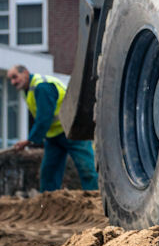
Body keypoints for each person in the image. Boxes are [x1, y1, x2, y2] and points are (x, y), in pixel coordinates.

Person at [6, 64, 98, 192]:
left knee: (87, 169)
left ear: (25, 73)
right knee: (48, 174)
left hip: (71, 131)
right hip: (54, 136)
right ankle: (49, 204)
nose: (13, 82)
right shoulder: (27, 91)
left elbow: (44, 118)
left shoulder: (42, 87)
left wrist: (29, 141)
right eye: (10, 79)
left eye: (15, 77)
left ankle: (96, 198)